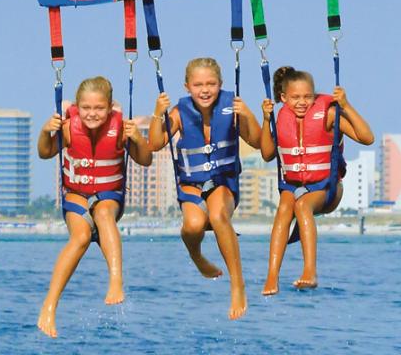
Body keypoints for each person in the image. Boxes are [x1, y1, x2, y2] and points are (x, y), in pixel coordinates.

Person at [37, 76, 152, 338]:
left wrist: (138, 138)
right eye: (86, 108)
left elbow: (145, 160)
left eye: (99, 108)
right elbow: (44, 153)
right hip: (76, 195)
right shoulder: (68, 127)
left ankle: (115, 282)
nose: (92, 114)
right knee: (80, 237)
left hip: (109, 195)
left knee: (102, 214)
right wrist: (46, 132)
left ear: (110, 107)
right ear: (78, 106)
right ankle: (49, 307)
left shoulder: (121, 127)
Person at [149, 57, 261, 320]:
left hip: (224, 182)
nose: (205, 89)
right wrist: (158, 113)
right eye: (198, 84)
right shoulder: (178, 112)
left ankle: (237, 285)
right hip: (191, 185)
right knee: (192, 227)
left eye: (211, 83)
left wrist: (249, 115)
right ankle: (197, 256)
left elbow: (257, 141)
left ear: (220, 84)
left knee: (219, 215)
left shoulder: (232, 107)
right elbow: (154, 144)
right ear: (187, 86)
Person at [260, 66, 374, 295]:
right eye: (295, 97)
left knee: (302, 205)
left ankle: (310, 271)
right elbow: (267, 153)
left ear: (314, 95)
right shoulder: (280, 117)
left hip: (327, 188)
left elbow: (367, 138)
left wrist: (346, 106)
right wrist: (266, 120)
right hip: (293, 185)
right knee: (284, 207)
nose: (302, 102)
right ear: (283, 97)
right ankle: (272, 277)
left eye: (307, 97)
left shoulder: (329, 114)